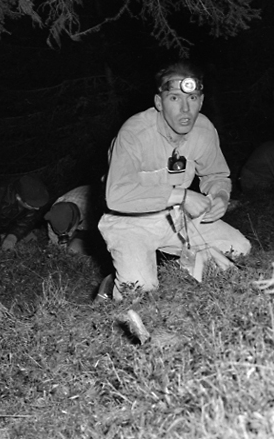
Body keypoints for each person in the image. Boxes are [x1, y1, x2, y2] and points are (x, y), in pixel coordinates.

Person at [97, 60, 251, 296]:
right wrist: (182, 195)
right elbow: (116, 196)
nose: (185, 109)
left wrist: (220, 195)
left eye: (192, 98)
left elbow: (216, 174)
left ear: (201, 101)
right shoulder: (134, 133)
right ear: (159, 102)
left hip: (176, 217)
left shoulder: (204, 130)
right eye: (174, 98)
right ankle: (113, 287)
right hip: (129, 221)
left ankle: (177, 273)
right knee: (139, 290)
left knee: (238, 248)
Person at [0, 175, 50, 250]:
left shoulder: (30, 198)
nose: (37, 208)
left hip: (7, 226)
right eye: (32, 205)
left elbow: (26, 222)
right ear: (18, 198)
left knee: (31, 239)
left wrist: (13, 236)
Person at [45, 184, 102, 254]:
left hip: (98, 223)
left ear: (76, 220)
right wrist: (60, 248)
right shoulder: (55, 212)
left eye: (68, 231)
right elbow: (54, 240)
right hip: (84, 224)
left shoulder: (92, 204)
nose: (68, 234)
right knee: (72, 249)